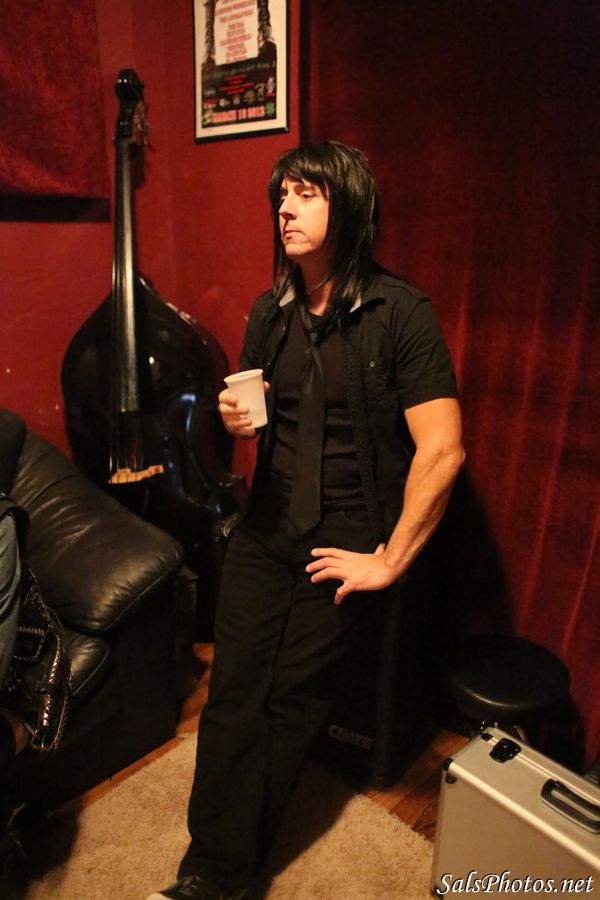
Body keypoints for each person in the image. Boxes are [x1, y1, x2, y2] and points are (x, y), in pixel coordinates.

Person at [148, 140, 464, 900]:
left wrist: (388, 559)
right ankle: (209, 871)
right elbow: (252, 416)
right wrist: (235, 418)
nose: (284, 209)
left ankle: (230, 865)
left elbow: (443, 450)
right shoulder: (271, 311)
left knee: (292, 703)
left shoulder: (401, 313)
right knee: (233, 695)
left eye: (305, 194)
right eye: (281, 196)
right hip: (266, 528)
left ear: (347, 205)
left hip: (347, 534)